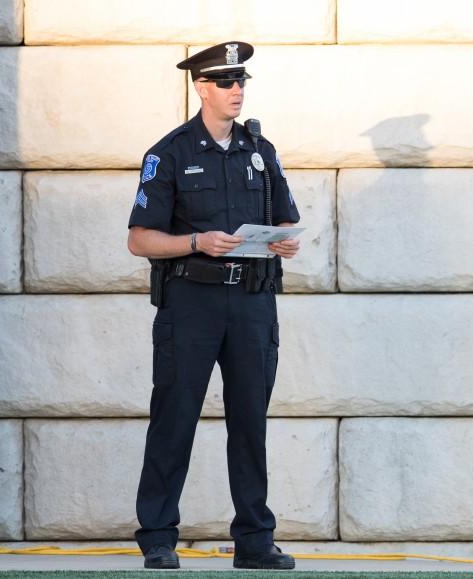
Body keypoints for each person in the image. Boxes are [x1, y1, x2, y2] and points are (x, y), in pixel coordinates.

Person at [126, 40, 301, 571]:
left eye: (242, 82)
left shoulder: (260, 150)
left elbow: (288, 218)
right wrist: (195, 242)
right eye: (226, 82)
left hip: (251, 302)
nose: (236, 91)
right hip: (191, 302)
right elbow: (140, 240)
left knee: (250, 421)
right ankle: (158, 536)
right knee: (174, 417)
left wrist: (284, 240)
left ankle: (254, 540)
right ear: (201, 87)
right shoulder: (170, 152)